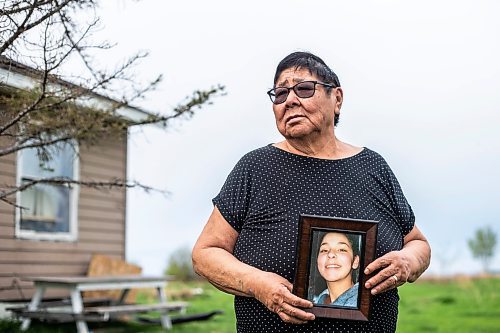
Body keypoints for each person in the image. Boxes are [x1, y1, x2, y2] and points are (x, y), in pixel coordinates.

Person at [192, 51, 431, 333]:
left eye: (304, 89)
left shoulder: (373, 167)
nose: (290, 100)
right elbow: (205, 253)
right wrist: (256, 284)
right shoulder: (255, 168)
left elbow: (418, 244)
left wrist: (408, 261)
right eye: (280, 94)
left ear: (337, 99)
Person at [312, 232, 360, 308]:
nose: (330, 254)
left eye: (341, 249)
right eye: (324, 250)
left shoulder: (362, 303)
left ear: (355, 261)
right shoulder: (317, 299)